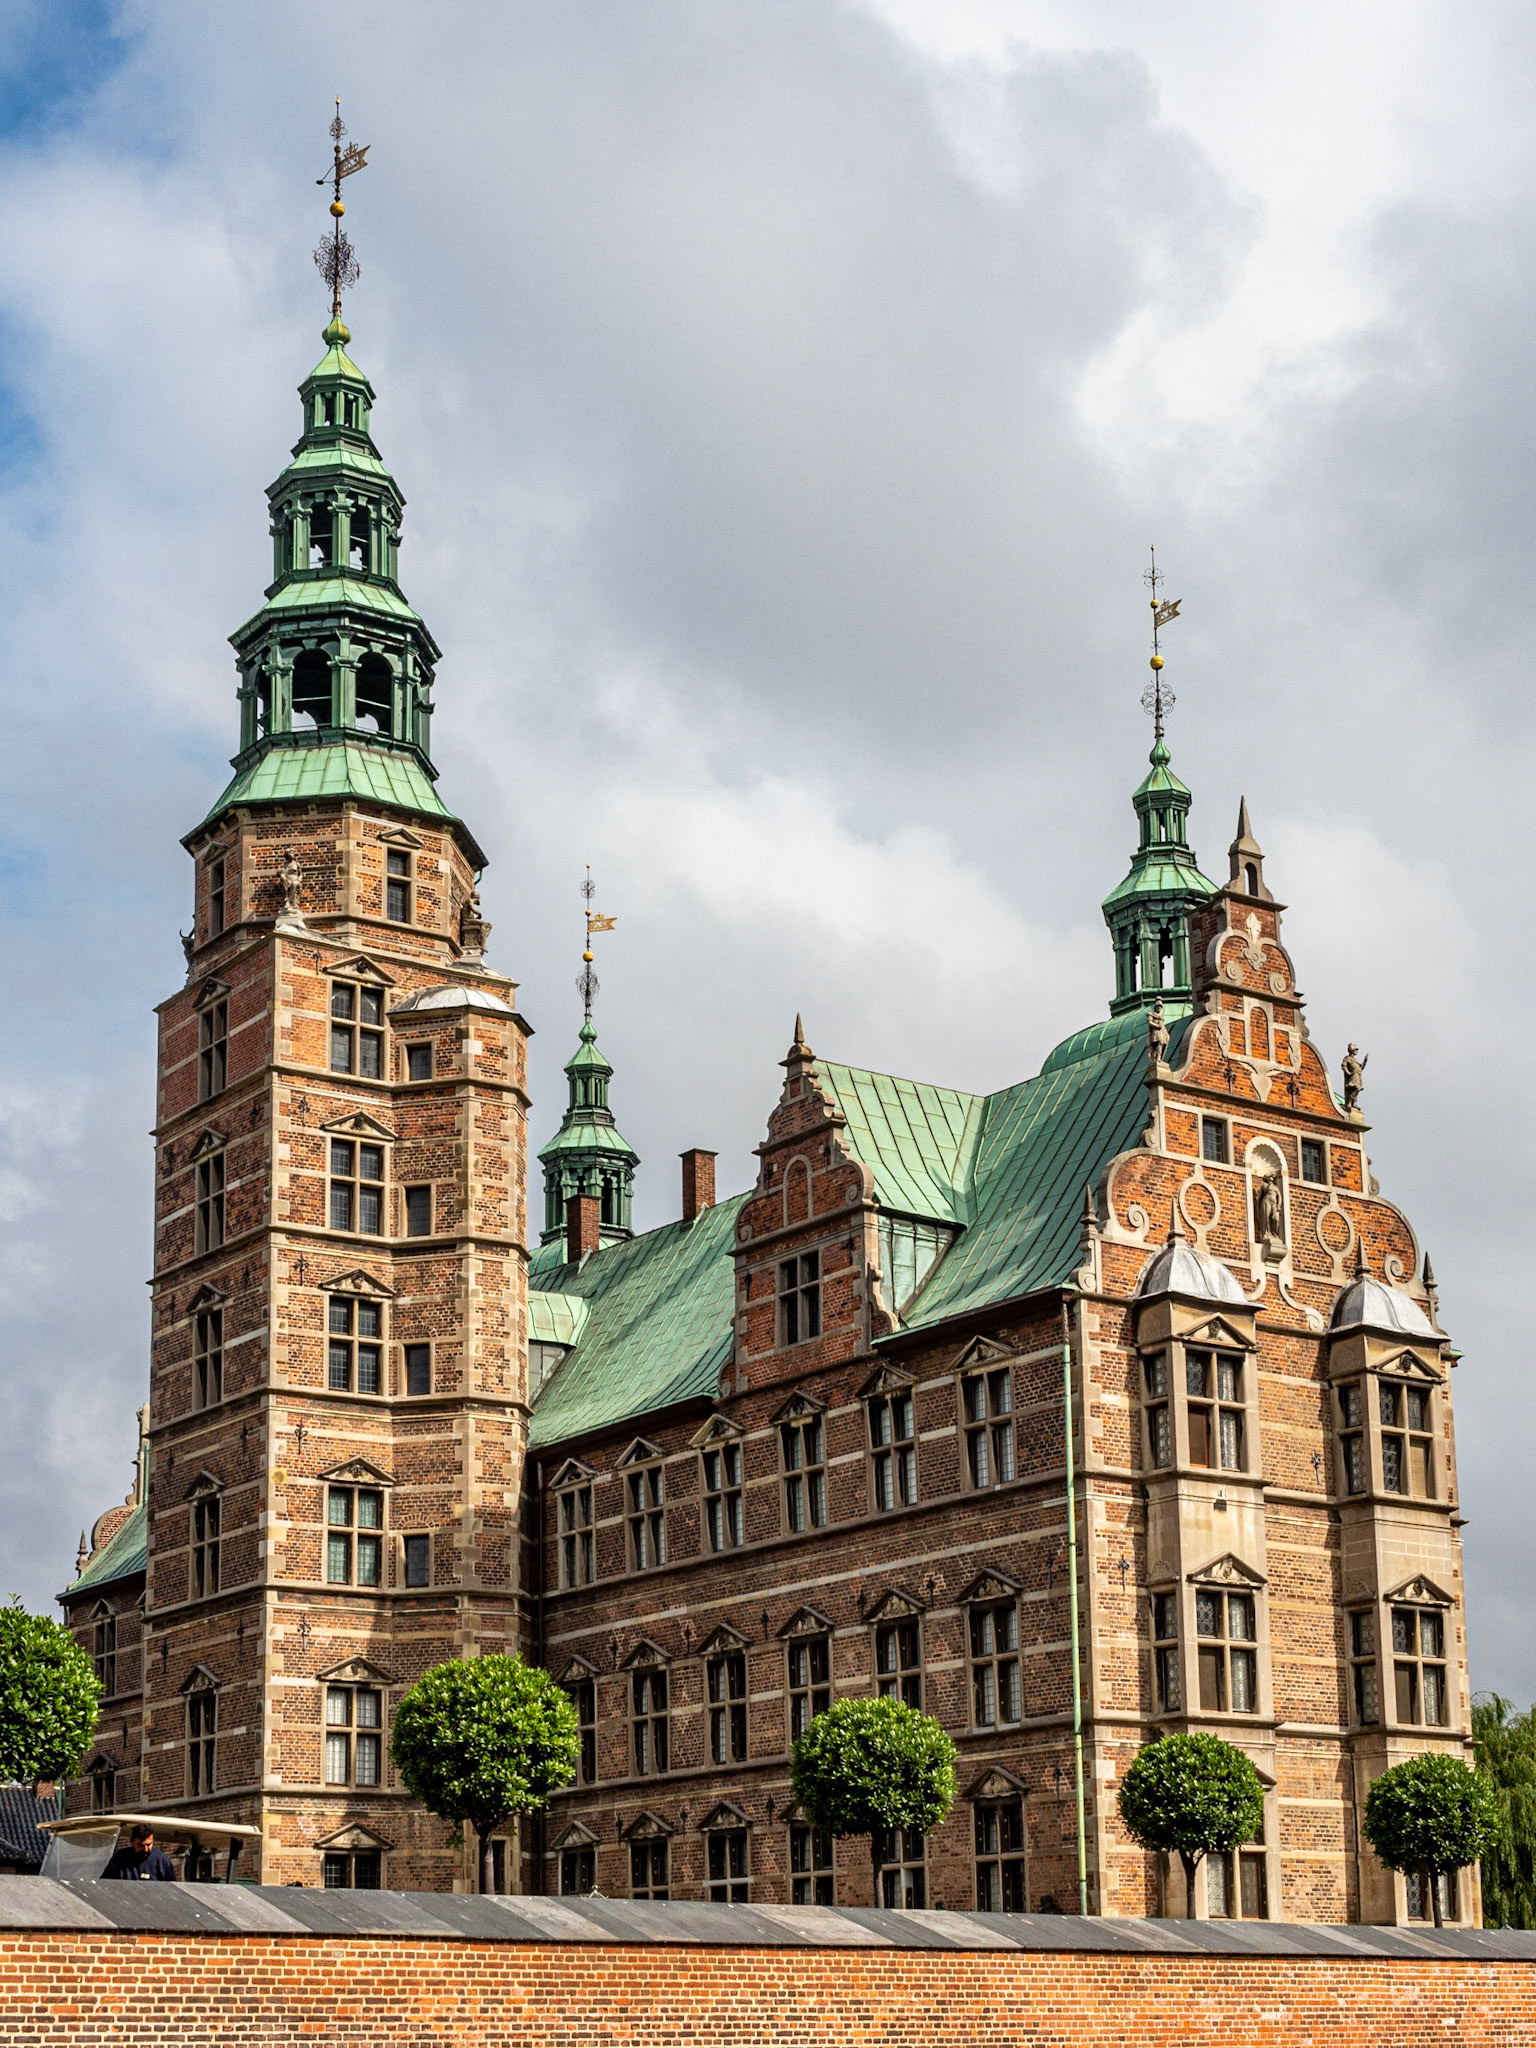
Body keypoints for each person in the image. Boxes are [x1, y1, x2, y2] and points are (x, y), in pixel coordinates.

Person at [102, 1824, 176, 1881]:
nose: (146, 1849)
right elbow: (105, 1884)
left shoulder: (162, 1861)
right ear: (132, 1841)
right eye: (141, 1845)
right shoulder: (119, 1858)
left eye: (149, 1844)